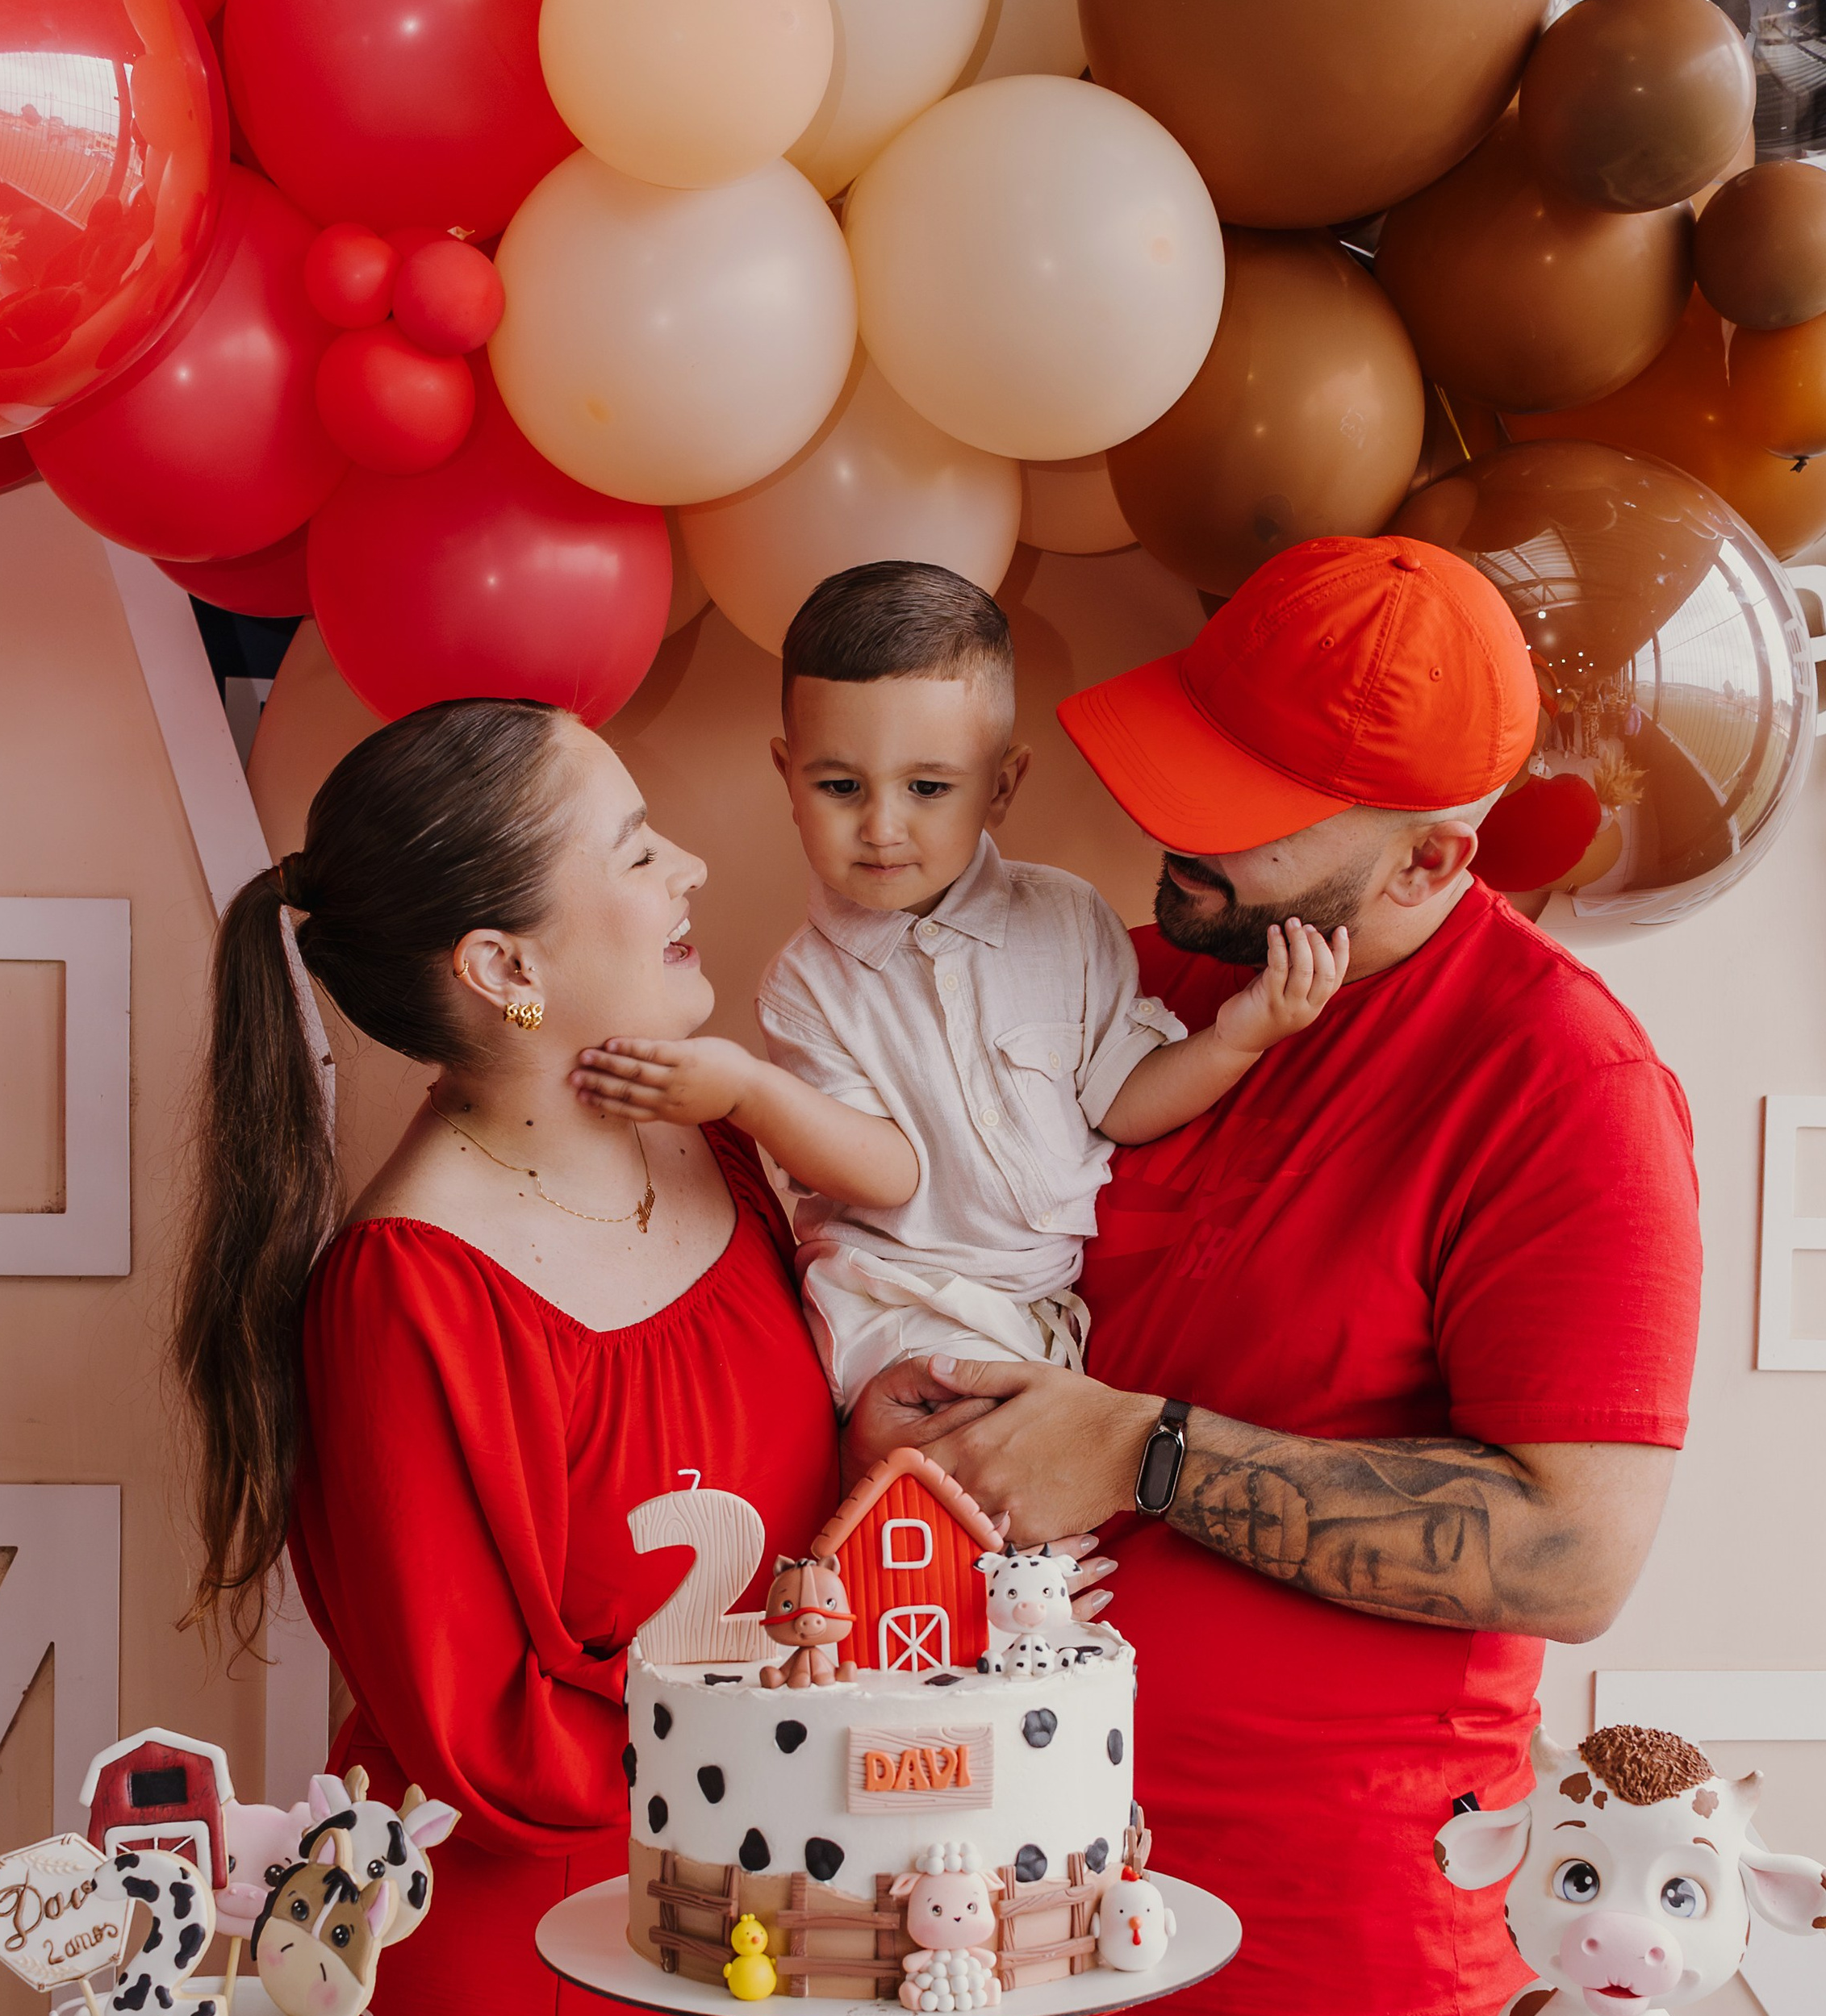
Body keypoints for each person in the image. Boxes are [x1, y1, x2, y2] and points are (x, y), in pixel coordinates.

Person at [846, 535, 1704, 2016]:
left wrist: (1143, 1453)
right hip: (997, 1919)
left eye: (1249, 813)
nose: (1182, 839)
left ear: (1432, 860)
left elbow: (1567, 1553)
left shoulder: (1560, 1090)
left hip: (1314, 2003)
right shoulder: (1136, 989)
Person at [174, 698, 857, 2016]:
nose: (691, 863)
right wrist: (768, 1740)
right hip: (555, 1957)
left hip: (766, 1907)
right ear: (505, 968)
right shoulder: (413, 1289)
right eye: (633, 845)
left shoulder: (724, 1140)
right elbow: (478, 1735)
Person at [570, 561, 1341, 1411]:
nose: (881, 826)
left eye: (928, 788)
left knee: (1046, 1469)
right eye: (839, 787)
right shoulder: (807, 983)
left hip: (1041, 1303)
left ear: (1001, 785)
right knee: (960, 1437)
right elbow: (890, 1175)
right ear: (788, 778)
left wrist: (1238, 1036)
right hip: (896, 1295)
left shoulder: (1065, 918)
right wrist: (751, 1091)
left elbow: (1120, 1102)